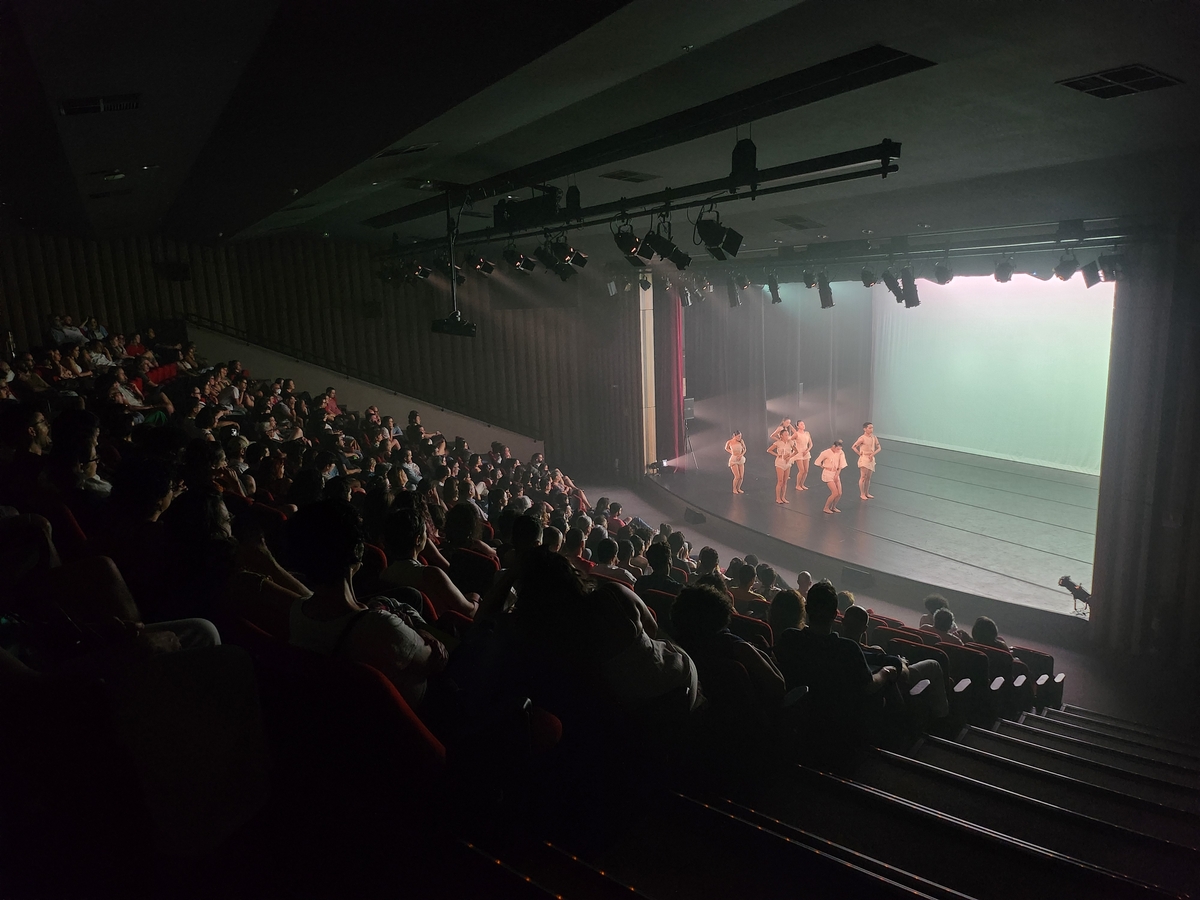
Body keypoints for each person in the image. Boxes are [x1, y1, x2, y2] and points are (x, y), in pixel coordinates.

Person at [288, 499, 445, 709]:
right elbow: (438, 660)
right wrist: (421, 631)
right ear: (356, 550)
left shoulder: (297, 611)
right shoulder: (381, 627)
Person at [813, 439, 847, 514]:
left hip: (836, 473)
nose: (839, 450)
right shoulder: (825, 452)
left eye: (840, 449)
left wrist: (837, 474)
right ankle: (826, 507)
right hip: (828, 473)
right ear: (833, 446)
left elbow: (841, 465)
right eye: (837, 449)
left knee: (839, 493)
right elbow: (817, 462)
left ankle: (833, 507)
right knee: (835, 492)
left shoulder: (841, 453)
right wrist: (824, 467)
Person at [767, 427, 798, 504]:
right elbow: (769, 450)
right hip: (780, 463)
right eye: (785, 435)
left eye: (788, 435)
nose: (787, 436)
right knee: (780, 481)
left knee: (785, 481)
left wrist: (789, 457)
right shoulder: (778, 443)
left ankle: (783, 497)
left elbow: (796, 451)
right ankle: (778, 498)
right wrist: (777, 455)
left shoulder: (790, 442)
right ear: (781, 436)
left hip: (787, 463)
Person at [851, 422, 881, 500]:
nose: (871, 429)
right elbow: (854, 447)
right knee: (863, 477)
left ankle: (867, 492)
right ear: (865, 429)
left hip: (871, 458)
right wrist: (859, 453)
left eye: (872, 428)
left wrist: (872, 454)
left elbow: (879, 448)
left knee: (868, 477)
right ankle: (862, 493)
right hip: (864, 458)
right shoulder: (862, 438)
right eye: (869, 428)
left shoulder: (874, 437)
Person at [725, 429, 746, 494]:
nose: (740, 437)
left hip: (740, 458)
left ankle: (738, 488)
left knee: (741, 476)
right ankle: (734, 489)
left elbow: (745, 449)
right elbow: (726, 448)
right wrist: (731, 452)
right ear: (734, 436)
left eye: (740, 436)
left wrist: (741, 455)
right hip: (734, 459)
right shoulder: (729, 442)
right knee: (737, 476)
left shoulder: (741, 441)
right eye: (738, 436)